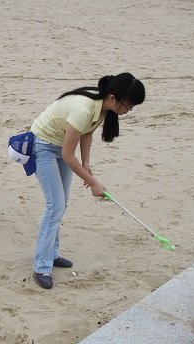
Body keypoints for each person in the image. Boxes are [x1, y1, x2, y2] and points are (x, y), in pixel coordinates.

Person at [28, 73, 145, 289]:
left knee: (61, 204)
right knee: (55, 206)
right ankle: (41, 266)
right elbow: (67, 155)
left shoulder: (101, 107)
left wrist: (87, 163)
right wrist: (92, 182)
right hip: (43, 146)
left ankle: (52, 255)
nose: (128, 110)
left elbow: (86, 133)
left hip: (60, 146)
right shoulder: (84, 107)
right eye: (128, 105)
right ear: (112, 98)